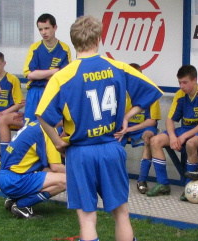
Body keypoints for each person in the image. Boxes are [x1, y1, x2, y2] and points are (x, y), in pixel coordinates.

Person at [36, 15, 162, 241]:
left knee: (87, 217)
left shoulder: (62, 76)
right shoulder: (117, 67)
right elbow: (152, 91)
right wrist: (127, 116)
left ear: (73, 43)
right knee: (121, 214)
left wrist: (57, 142)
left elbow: (42, 115)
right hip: (110, 148)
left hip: (80, 151)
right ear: (98, 39)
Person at [146, 65, 198, 201]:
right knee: (155, 141)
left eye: (185, 82)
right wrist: (173, 137)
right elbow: (170, 119)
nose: (181, 86)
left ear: (195, 80)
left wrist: (185, 136)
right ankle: (163, 184)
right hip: (184, 129)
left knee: (191, 143)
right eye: (179, 82)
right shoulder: (180, 95)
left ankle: (188, 187)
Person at [0, 120, 66, 219]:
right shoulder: (49, 130)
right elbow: (56, 167)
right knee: (67, 180)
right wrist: (82, 174)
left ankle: (14, 199)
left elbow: (46, 169)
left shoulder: (37, 124)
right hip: (14, 180)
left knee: (55, 176)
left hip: (6, 177)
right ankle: (22, 205)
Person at [119, 63, 161, 194]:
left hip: (143, 128)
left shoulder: (150, 92)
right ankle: (116, 179)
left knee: (149, 137)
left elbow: (151, 122)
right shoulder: (121, 93)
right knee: (112, 142)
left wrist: (129, 130)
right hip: (125, 127)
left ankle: (142, 180)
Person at [23, 13, 71, 125]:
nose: (43, 32)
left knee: (53, 126)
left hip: (54, 92)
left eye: (46, 28)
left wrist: (40, 74)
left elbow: (64, 77)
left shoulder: (64, 49)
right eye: (40, 29)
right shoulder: (34, 48)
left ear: (55, 28)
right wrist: (54, 71)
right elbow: (29, 74)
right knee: (30, 126)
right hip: (35, 92)